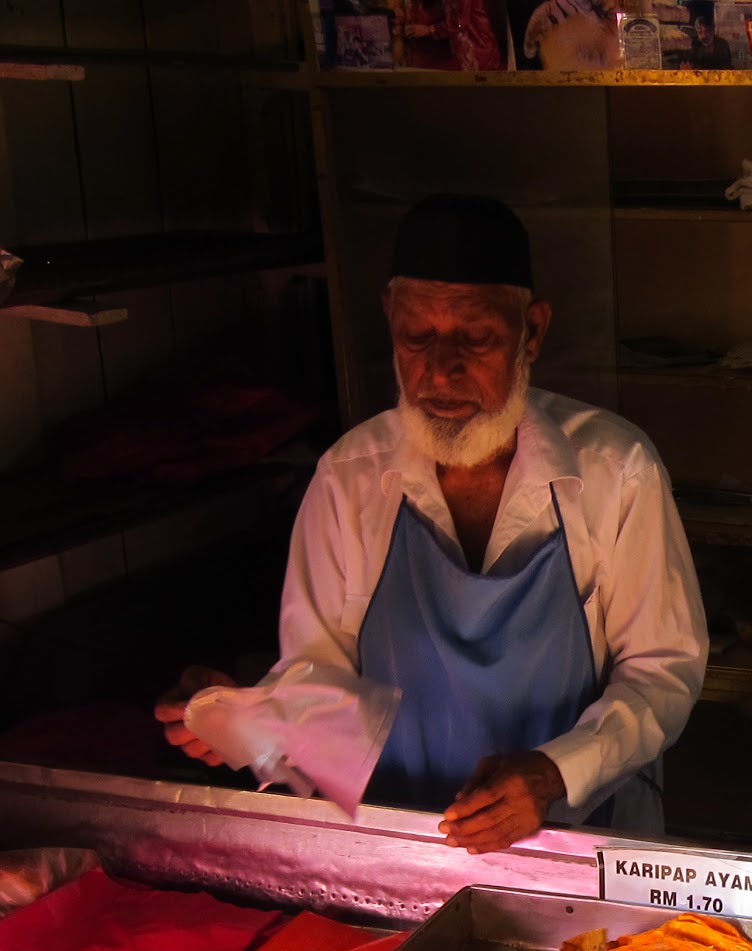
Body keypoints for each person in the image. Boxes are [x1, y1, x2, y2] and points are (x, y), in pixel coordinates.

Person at [157, 194, 707, 853]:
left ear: (532, 331)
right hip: (401, 844)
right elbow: (318, 677)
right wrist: (243, 718)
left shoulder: (616, 470)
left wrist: (556, 772)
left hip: (579, 840)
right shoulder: (349, 477)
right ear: (389, 319)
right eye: (417, 336)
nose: (440, 370)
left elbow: (662, 671)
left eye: (475, 339)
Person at [687, 1, 731, 68]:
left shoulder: (722, 45)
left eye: (707, 31)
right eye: (700, 32)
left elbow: (727, 68)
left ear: (712, 30)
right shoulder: (693, 45)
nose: (704, 36)